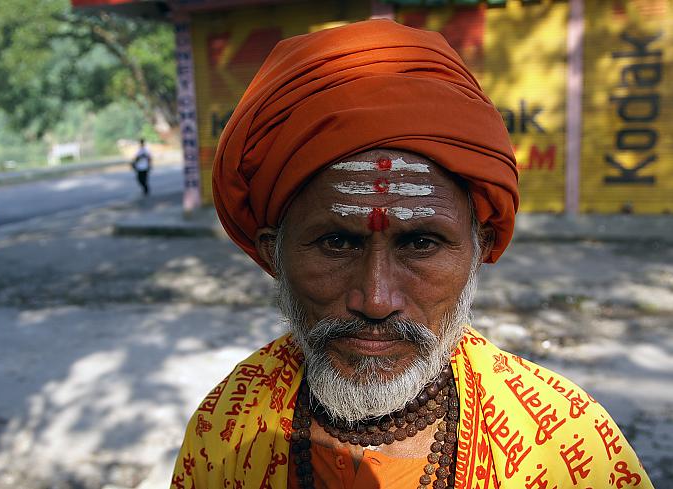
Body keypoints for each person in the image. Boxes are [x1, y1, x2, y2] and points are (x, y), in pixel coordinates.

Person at [171, 19, 653, 489]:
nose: (376, 301)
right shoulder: (226, 429)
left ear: (479, 247)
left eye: (421, 243)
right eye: (337, 242)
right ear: (273, 254)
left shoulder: (567, 447)